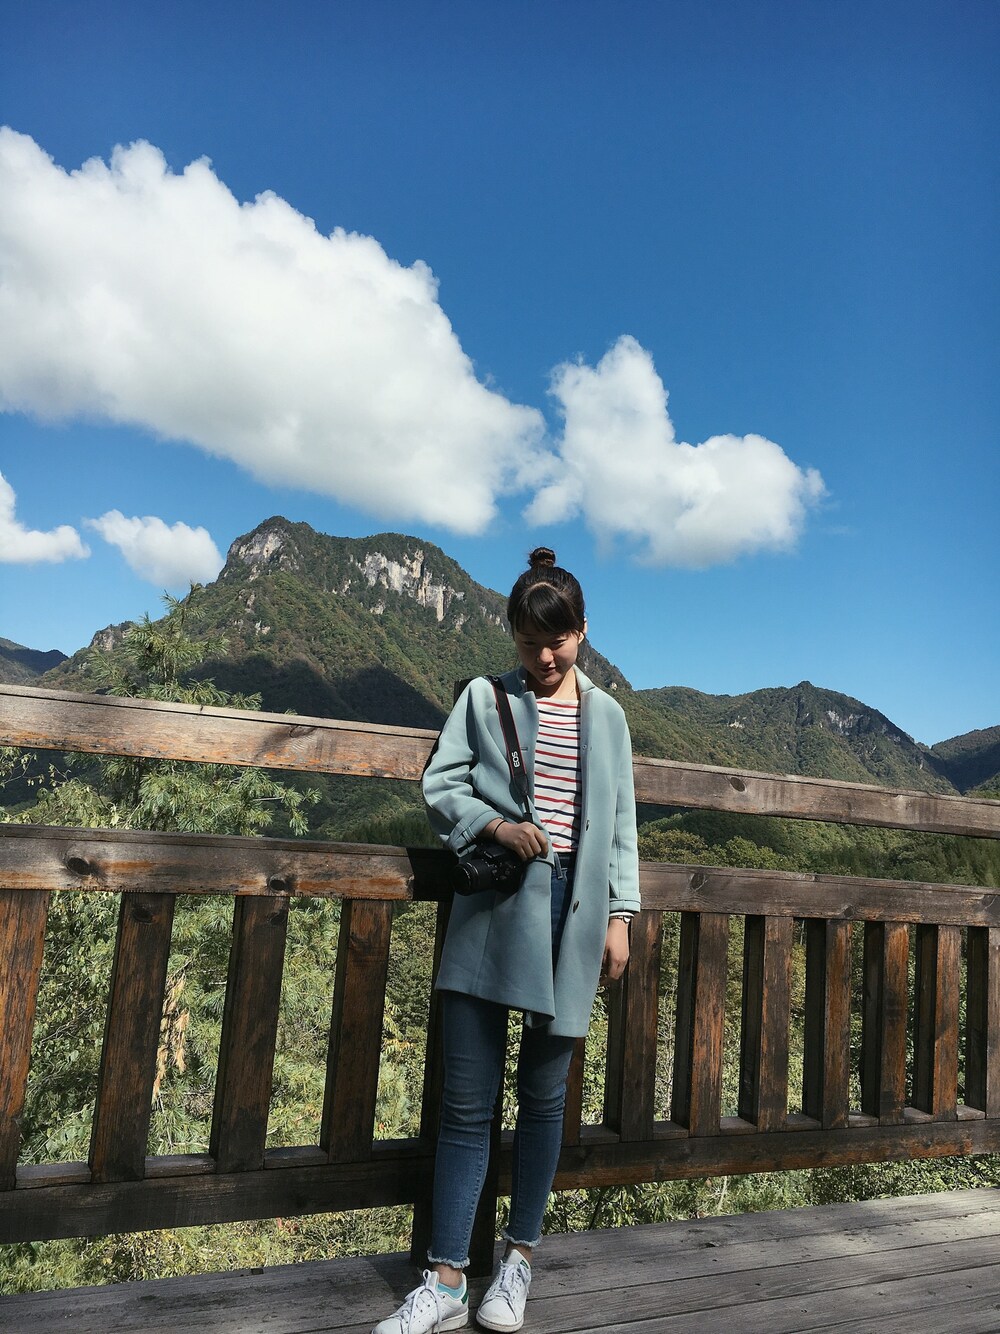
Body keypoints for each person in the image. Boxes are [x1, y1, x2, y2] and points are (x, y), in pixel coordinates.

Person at [373, 547, 640, 1334]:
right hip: (493, 908)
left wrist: (621, 916)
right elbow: (440, 785)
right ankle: (447, 1280)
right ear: (513, 635)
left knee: (544, 1098)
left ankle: (518, 1260)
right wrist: (494, 825)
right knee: (467, 1101)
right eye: (530, 642)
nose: (545, 657)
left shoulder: (609, 717)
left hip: (573, 915)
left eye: (558, 641)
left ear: (582, 631)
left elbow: (620, 822)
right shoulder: (484, 698)